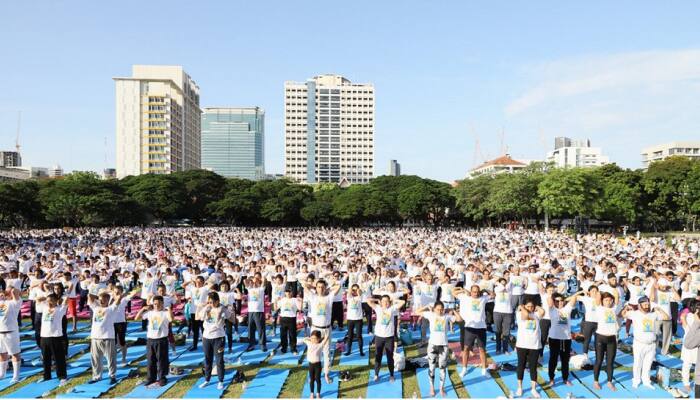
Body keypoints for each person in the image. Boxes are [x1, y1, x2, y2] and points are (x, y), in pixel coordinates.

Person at [414, 301, 461, 397]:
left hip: (443, 346)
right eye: (438, 309)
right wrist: (426, 306)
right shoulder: (431, 315)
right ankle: (432, 387)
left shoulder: (447, 316)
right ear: (434, 309)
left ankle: (441, 388)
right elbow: (417, 312)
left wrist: (453, 310)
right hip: (432, 346)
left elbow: (460, 319)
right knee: (431, 367)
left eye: (442, 309)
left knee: (442, 368)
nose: (440, 311)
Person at [625, 296, 668, 388]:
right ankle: (636, 380)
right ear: (639, 305)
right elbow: (622, 314)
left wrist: (659, 309)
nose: (646, 306)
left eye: (648, 304)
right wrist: (626, 307)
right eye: (644, 304)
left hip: (651, 344)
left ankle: (646, 381)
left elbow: (666, 317)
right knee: (637, 363)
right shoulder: (634, 314)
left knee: (648, 364)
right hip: (639, 343)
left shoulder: (653, 314)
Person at [303, 278, 340, 385]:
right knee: (314, 352)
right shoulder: (313, 297)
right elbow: (305, 285)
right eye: (319, 287)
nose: (320, 289)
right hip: (315, 328)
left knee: (326, 353)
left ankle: (326, 374)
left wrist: (327, 288)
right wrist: (314, 287)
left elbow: (338, 287)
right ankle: (313, 375)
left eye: (322, 287)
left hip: (327, 329)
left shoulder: (329, 297)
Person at [454, 284, 493, 377]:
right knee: (466, 349)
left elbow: (493, 295)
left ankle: (484, 369)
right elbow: (454, 293)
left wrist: (485, 289)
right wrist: (463, 290)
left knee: (482, 349)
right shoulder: (466, 298)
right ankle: (464, 369)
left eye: (477, 291)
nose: (475, 293)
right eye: (474, 291)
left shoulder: (483, 298)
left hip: (481, 328)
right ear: (471, 292)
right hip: (469, 327)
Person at [136, 295, 173, 389]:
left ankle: (162, 377)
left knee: (161, 360)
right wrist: (143, 308)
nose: (156, 305)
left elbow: (171, 319)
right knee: (150, 360)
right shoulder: (150, 313)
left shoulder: (165, 313)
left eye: (158, 304)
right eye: (155, 304)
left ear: (162, 303)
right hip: (150, 340)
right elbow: (136, 318)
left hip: (161, 339)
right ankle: (151, 378)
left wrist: (169, 309)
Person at [87, 289, 123, 384]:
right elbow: (89, 295)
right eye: (100, 299)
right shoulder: (95, 308)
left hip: (108, 337)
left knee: (111, 358)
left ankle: (112, 375)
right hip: (95, 337)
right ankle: (96, 376)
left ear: (108, 300)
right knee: (95, 359)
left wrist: (112, 295)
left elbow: (119, 299)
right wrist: (98, 297)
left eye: (104, 299)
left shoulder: (111, 309)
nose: (102, 301)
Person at [196, 292, 231, 390]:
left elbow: (229, 316)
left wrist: (224, 312)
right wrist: (205, 310)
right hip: (206, 337)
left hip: (219, 338)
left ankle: (220, 381)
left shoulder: (222, 308)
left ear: (217, 301)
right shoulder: (207, 307)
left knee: (219, 360)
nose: (210, 304)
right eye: (209, 302)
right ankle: (207, 379)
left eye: (212, 302)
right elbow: (199, 317)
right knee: (208, 359)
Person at [367, 294, 405, 383]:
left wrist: (393, 299)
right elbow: (368, 300)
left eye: (387, 301)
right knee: (378, 356)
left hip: (389, 337)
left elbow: (402, 302)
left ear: (389, 302)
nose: (385, 303)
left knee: (389, 357)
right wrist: (378, 299)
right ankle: (376, 374)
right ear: (381, 302)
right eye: (383, 301)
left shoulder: (392, 309)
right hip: (379, 337)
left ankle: (391, 375)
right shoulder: (378, 308)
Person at [547, 291, 580, 388]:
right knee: (553, 360)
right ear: (554, 302)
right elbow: (549, 299)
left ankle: (565, 378)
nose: (560, 303)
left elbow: (574, 298)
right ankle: (551, 379)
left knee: (565, 360)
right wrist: (553, 297)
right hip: (554, 338)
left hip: (566, 338)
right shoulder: (552, 309)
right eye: (557, 301)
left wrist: (564, 299)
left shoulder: (567, 309)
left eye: (561, 301)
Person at [36, 292, 69, 386]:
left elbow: (66, 300)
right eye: (48, 301)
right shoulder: (45, 307)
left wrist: (61, 297)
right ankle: (47, 375)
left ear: (56, 301)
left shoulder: (60, 309)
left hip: (56, 337)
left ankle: (62, 376)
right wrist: (46, 298)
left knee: (59, 358)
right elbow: (37, 300)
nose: (49, 303)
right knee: (45, 358)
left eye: (51, 301)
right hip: (44, 337)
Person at [593, 291, 622, 392]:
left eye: (610, 300)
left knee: (610, 362)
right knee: (599, 360)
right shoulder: (599, 308)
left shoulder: (614, 308)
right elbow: (597, 297)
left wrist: (614, 292)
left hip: (612, 338)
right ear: (602, 301)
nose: (608, 302)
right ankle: (596, 381)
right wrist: (602, 289)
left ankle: (609, 381)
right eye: (606, 300)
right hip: (600, 337)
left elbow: (617, 297)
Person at [515, 300, 544, 398]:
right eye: (528, 306)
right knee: (521, 366)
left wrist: (537, 306)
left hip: (534, 345)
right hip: (522, 345)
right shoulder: (520, 314)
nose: (530, 308)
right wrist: (522, 307)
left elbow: (543, 312)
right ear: (524, 306)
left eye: (532, 307)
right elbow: (526, 315)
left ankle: (533, 388)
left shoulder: (536, 315)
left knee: (533, 367)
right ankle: (520, 387)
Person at [0, 288, 22, 384]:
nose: (2, 295)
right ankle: (2, 374)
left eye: (4, 294)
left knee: (14, 354)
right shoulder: (1, 303)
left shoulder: (15, 302)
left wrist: (11, 290)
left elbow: (15, 292)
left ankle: (16, 376)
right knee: (2, 354)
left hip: (11, 332)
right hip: (0, 332)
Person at [304, 330, 330, 399]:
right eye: (312, 338)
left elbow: (326, 338)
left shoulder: (320, 345)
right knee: (311, 379)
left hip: (317, 365)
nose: (313, 340)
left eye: (315, 339)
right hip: (310, 365)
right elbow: (304, 339)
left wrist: (326, 332)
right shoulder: (309, 343)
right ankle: (312, 393)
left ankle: (318, 393)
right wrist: (309, 338)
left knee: (317, 379)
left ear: (318, 339)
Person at [245, 275, 267, 352]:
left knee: (260, 329)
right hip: (251, 311)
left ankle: (262, 344)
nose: (254, 283)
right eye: (253, 281)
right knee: (250, 328)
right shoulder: (249, 288)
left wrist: (259, 279)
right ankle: (251, 344)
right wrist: (251, 279)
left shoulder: (261, 289)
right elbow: (245, 281)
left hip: (259, 311)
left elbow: (264, 281)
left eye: (256, 281)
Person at [277, 287, 301, 355]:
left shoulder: (295, 300)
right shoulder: (282, 299)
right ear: (285, 293)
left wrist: (301, 301)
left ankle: (293, 349)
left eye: (289, 292)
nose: (288, 293)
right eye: (287, 292)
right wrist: (276, 301)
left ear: (292, 293)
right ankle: (283, 348)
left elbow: (299, 309)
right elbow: (276, 308)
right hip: (283, 318)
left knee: (292, 335)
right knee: (283, 335)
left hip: (292, 318)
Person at [492, 277, 513, 354]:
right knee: (498, 331)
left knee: (506, 332)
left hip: (508, 312)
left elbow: (507, 286)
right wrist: (499, 283)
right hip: (497, 312)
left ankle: (505, 349)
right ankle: (498, 348)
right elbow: (501, 288)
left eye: (505, 282)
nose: (503, 283)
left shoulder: (509, 290)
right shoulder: (497, 289)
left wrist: (502, 283)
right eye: (502, 282)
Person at [681, 300, 698, 392]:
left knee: (698, 365)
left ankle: (697, 383)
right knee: (687, 364)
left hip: (697, 343)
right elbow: (689, 330)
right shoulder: (689, 316)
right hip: (689, 342)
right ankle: (686, 383)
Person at [345, 284, 365, 356]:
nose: (354, 291)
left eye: (356, 290)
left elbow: (360, 293)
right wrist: (351, 289)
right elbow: (349, 292)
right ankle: (349, 350)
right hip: (350, 319)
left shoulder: (360, 297)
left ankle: (361, 351)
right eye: (353, 290)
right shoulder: (349, 297)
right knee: (350, 336)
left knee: (359, 336)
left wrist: (358, 290)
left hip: (358, 319)